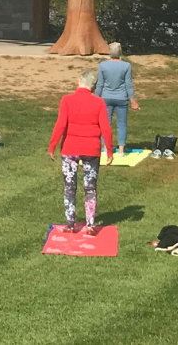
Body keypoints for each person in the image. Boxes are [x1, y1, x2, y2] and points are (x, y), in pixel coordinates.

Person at [47, 69, 115, 235]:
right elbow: (106, 128)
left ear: (77, 82)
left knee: (69, 187)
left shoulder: (66, 100)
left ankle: (70, 225)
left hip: (69, 150)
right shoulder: (99, 102)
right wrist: (110, 150)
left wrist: (52, 146)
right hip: (92, 151)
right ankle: (90, 226)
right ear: (93, 87)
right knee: (90, 188)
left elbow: (60, 124)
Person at [95, 42, 139, 155]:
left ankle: (105, 149)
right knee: (122, 124)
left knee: (105, 124)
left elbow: (100, 84)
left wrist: (95, 98)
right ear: (120, 52)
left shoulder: (103, 65)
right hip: (121, 98)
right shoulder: (126, 66)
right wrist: (133, 101)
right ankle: (121, 150)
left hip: (106, 98)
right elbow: (128, 84)